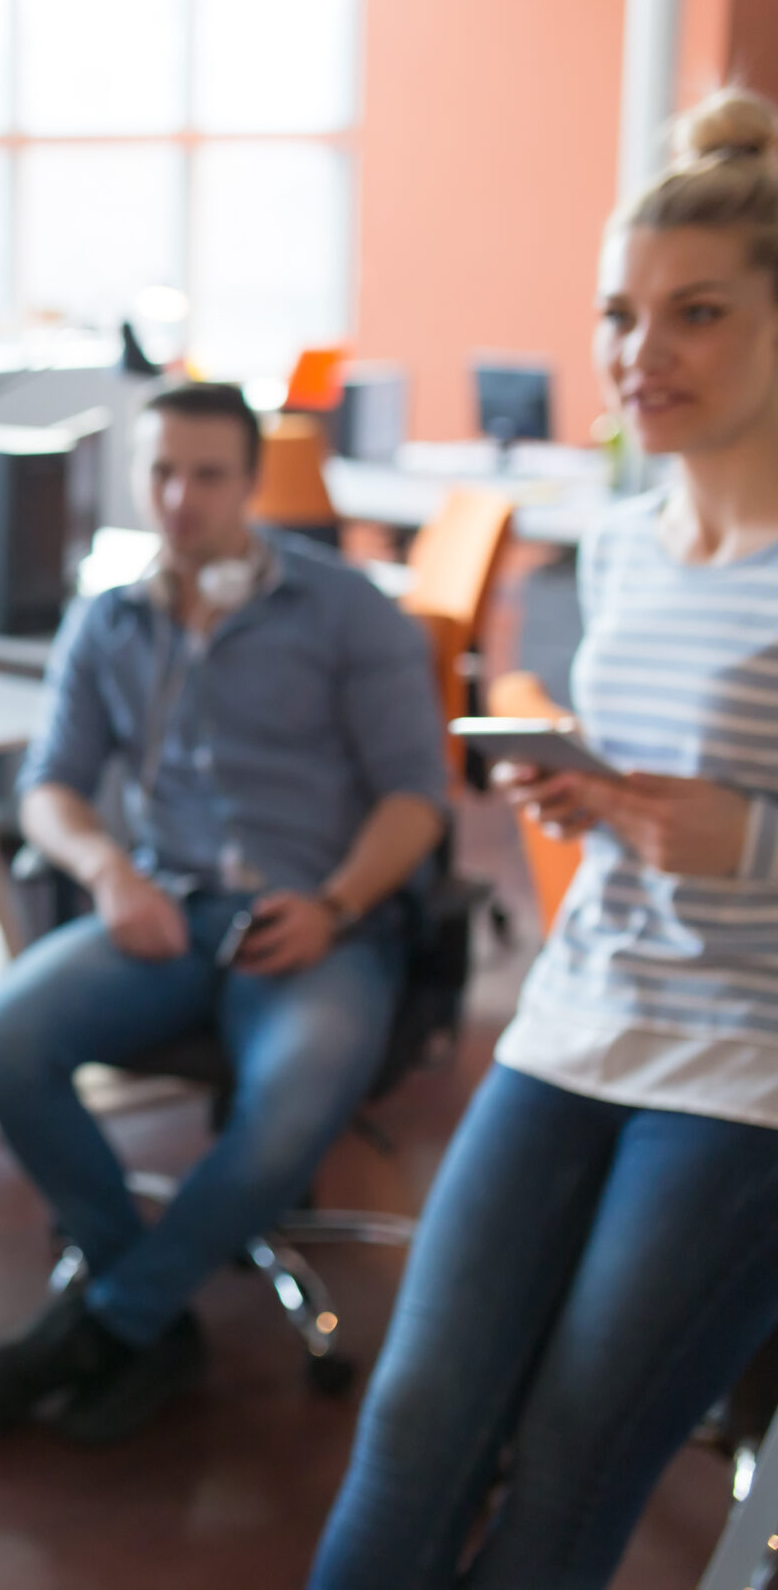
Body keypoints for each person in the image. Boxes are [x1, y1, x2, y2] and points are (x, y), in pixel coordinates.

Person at [310, 89, 778, 1589]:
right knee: (414, 1421)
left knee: (577, 1463)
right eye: (621, 314)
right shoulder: (627, 537)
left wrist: (753, 844)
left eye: (695, 312)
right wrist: (594, 797)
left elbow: (734, 820)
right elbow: (666, 779)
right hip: (577, 1018)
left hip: (750, 1072)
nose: (644, 353)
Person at [0, 381, 449, 1444]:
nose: (180, 499)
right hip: (165, 909)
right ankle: (138, 1293)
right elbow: (48, 786)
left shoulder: (343, 610)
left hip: (317, 920)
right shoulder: (114, 618)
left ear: (251, 482)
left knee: (289, 1098)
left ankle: (113, 1322)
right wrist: (106, 872)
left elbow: (420, 796)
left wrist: (335, 903)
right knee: (7, 1036)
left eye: (207, 475)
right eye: (160, 473)